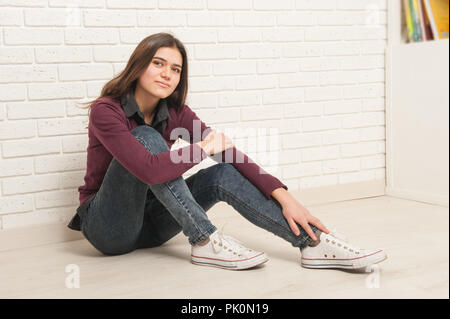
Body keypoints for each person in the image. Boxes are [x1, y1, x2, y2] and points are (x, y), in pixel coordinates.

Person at [68, 32, 387, 271]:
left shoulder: (177, 113)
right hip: (108, 228)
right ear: (138, 66)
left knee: (222, 171)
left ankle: (312, 243)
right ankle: (204, 240)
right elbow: (149, 169)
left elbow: (231, 155)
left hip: (154, 225)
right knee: (147, 138)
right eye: (158, 63)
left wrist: (286, 197)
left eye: (176, 69)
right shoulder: (106, 111)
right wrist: (203, 147)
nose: (168, 74)